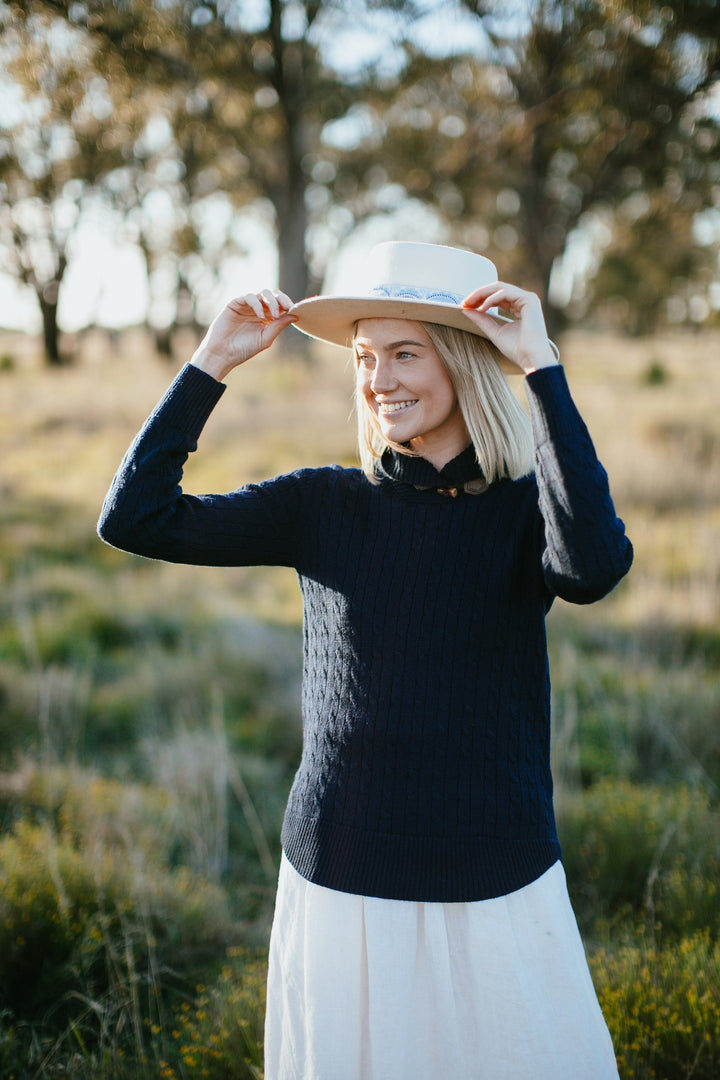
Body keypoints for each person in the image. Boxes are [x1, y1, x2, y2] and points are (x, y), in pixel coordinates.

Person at [98, 240, 632, 1080]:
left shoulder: (526, 514)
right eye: (365, 357)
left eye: (405, 353)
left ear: (461, 361)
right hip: (342, 878)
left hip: (494, 874)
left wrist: (540, 369)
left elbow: (594, 568)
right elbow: (135, 518)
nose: (380, 378)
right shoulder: (324, 504)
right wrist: (211, 362)